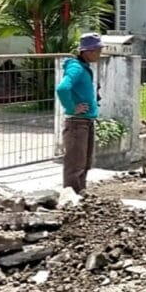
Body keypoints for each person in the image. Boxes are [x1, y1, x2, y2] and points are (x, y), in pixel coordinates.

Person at [55, 33, 103, 193]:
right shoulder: (76, 67)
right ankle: (71, 198)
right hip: (77, 123)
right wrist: (71, 107)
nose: (99, 54)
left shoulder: (83, 67)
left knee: (85, 162)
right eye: (98, 50)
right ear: (88, 51)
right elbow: (62, 88)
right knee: (75, 164)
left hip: (85, 121)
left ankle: (80, 193)